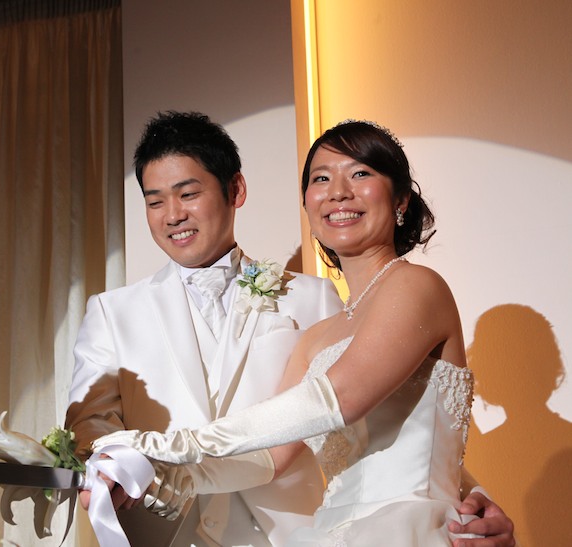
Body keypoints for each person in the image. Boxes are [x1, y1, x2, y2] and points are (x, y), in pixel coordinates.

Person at [70, 113, 514, 546]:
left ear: (400, 199)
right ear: (307, 202)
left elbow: (336, 400)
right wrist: (167, 478)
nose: (337, 193)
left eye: (359, 173)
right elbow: (272, 457)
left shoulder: (411, 286)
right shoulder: (322, 334)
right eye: (321, 179)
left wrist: (170, 447)